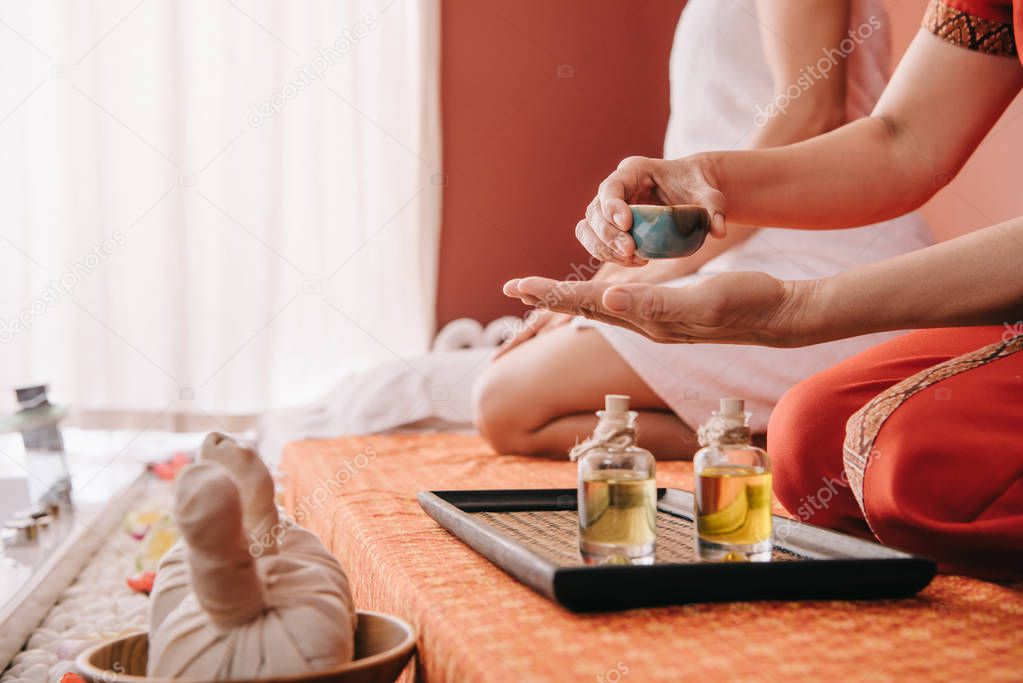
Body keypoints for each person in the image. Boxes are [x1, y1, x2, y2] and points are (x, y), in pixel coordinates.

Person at [503, 0, 1023, 579]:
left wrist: (798, 308)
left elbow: (811, 109)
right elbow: (904, 140)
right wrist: (704, 181)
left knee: (906, 463)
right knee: (807, 439)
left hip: (836, 250)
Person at [474, 0, 932, 459]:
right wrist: (617, 276)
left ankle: (796, 441)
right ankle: (784, 441)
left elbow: (810, 115)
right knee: (506, 396)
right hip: (738, 249)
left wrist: (653, 273)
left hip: (825, 261)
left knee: (506, 402)